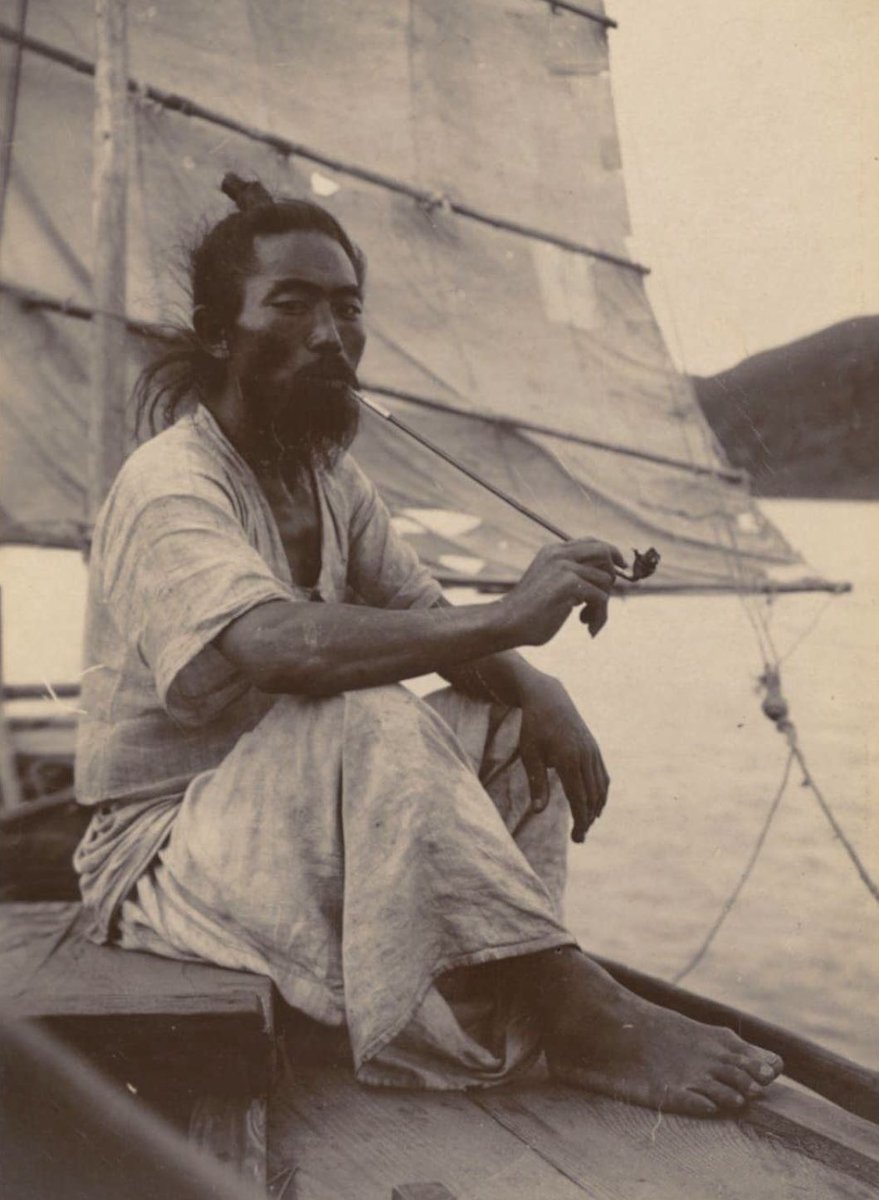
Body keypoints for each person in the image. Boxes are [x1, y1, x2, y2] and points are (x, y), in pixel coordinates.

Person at [73, 174, 782, 1112]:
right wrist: (508, 615)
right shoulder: (170, 484)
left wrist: (537, 688)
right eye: (291, 306)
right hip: (161, 858)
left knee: (502, 722)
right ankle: (568, 1006)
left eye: (347, 309)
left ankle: (508, 983)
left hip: (281, 832)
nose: (330, 336)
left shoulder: (329, 478)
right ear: (218, 333)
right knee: (367, 712)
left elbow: (419, 610)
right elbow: (279, 648)